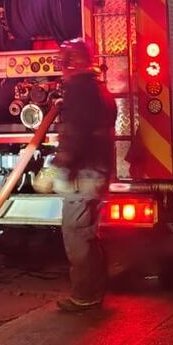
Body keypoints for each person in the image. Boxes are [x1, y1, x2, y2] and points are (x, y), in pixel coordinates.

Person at [52, 39, 117, 313]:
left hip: (84, 174)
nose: (61, 69)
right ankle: (95, 291)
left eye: (63, 62)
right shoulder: (99, 89)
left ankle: (85, 296)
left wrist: (60, 167)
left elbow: (75, 135)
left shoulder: (79, 91)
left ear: (71, 62)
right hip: (98, 171)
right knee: (88, 233)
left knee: (77, 234)